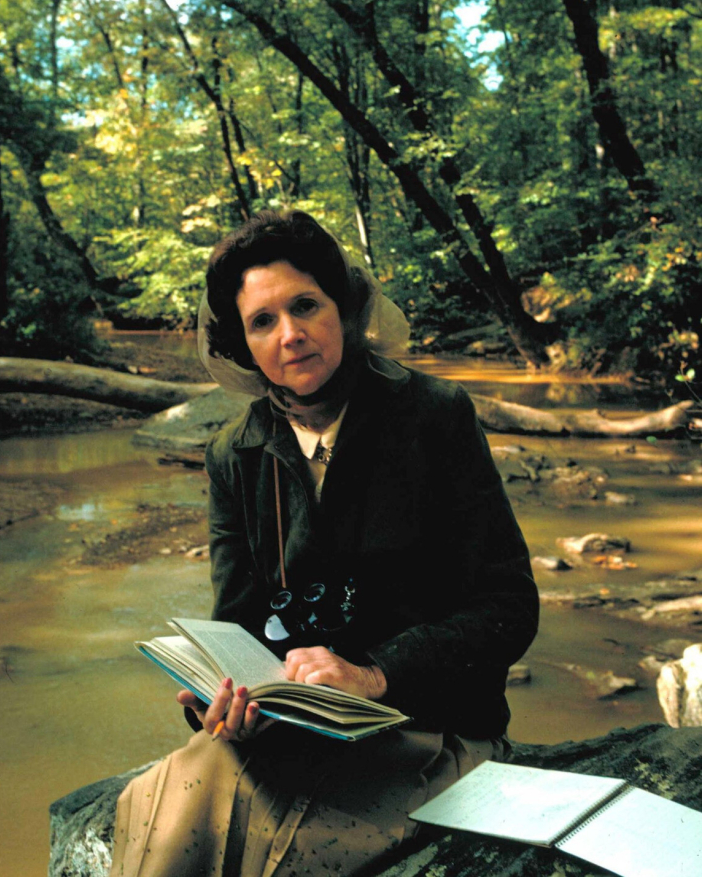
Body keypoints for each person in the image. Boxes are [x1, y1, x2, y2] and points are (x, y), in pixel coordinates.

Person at [110, 210, 539, 877]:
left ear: (345, 308)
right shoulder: (234, 451)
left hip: (429, 727)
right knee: (163, 809)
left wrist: (374, 673)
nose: (291, 335)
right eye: (262, 322)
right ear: (241, 346)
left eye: (305, 305)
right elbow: (241, 626)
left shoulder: (433, 416)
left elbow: (508, 605)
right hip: (294, 731)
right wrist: (225, 705)